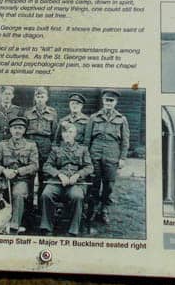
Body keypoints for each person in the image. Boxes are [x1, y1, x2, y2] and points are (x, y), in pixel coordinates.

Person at [39, 122, 94, 236]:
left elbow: (89, 167)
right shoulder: (56, 149)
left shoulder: (83, 149)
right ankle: (46, 227)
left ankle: (73, 229)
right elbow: (47, 166)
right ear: (62, 135)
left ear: (75, 134)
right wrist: (59, 175)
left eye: (70, 132)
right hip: (57, 182)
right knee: (46, 194)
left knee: (77, 196)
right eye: (65, 132)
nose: (68, 135)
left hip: (76, 183)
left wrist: (78, 175)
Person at [84, 89, 130, 225]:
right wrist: (86, 157)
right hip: (95, 153)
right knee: (94, 183)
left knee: (109, 184)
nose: (108, 103)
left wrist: (122, 158)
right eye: (106, 100)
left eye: (111, 100)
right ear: (103, 101)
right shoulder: (94, 117)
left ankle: (104, 210)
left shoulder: (121, 119)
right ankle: (92, 209)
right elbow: (87, 139)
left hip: (112, 154)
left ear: (115, 102)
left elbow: (125, 141)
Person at [0, 116, 39, 234]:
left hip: (21, 179)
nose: (17, 131)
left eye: (20, 128)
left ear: (24, 130)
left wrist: (17, 172)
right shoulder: (3, 144)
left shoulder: (31, 145)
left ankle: (14, 226)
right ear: (10, 130)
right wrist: (4, 170)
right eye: (15, 128)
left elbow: (34, 166)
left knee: (18, 194)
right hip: (3, 178)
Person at [24, 87, 59, 202]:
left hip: (45, 145)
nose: (40, 99)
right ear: (35, 98)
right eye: (38, 97)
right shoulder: (28, 112)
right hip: (30, 145)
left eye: (42, 97)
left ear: (47, 98)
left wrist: (51, 146)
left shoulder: (52, 113)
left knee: (43, 175)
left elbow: (54, 132)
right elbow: (24, 131)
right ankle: (28, 207)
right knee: (29, 175)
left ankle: (41, 206)